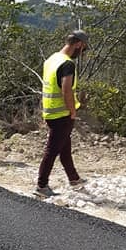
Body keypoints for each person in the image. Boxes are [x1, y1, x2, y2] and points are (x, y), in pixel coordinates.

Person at [35, 31, 89, 198]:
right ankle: (41, 186)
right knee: (52, 149)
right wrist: (72, 111)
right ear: (78, 44)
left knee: (65, 147)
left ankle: (74, 179)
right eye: (83, 48)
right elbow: (66, 90)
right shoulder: (67, 64)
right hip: (62, 113)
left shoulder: (51, 59)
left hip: (50, 111)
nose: (82, 52)